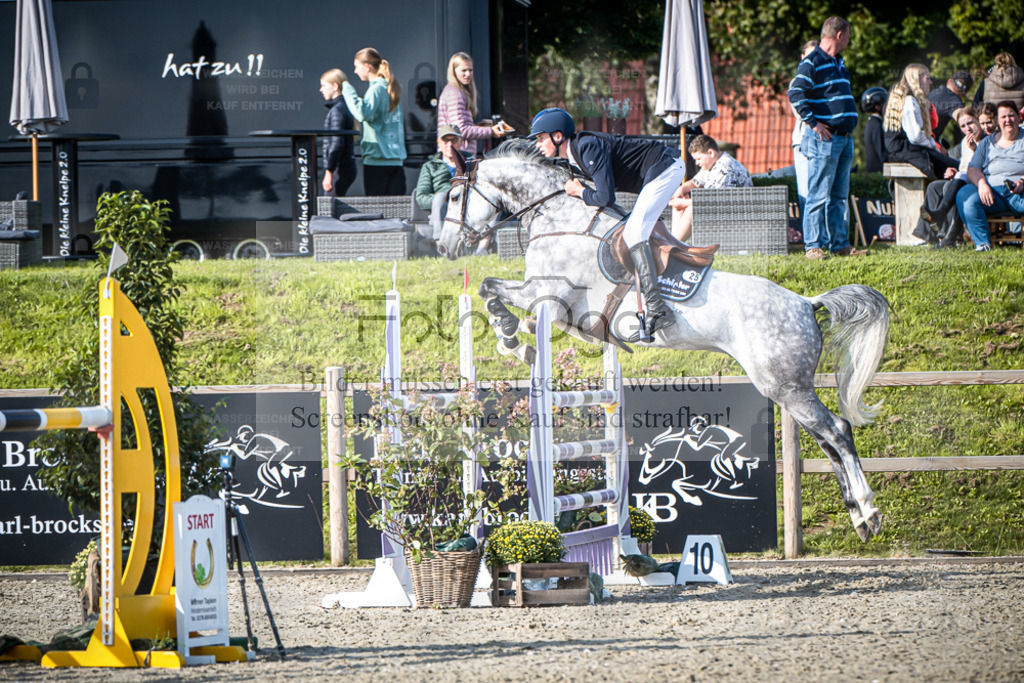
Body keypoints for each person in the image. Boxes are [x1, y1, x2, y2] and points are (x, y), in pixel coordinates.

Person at [529, 107, 687, 339]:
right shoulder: (574, 155)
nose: (538, 145)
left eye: (541, 138)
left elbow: (605, 198)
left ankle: (658, 309)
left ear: (558, 136)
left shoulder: (586, 146)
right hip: (660, 170)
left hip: (666, 167)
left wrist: (581, 191)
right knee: (633, 230)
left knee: (634, 234)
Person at [787, 16, 864, 259]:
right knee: (818, 194)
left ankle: (839, 244)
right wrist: (814, 123)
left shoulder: (838, 62)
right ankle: (813, 246)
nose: (849, 41)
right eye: (848, 36)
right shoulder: (813, 62)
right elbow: (796, 92)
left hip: (844, 138)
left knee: (839, 196)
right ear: (839, 35)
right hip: (825, 139)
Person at [954, 101, 1024, 251]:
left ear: (1019, 118)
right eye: (1003, 117)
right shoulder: (987, 142)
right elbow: (973, 168)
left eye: (1011, 116)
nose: (1008, 120)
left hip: (1019, 194)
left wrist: (1022, 182)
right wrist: (982, 184)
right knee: (965, 195)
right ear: (998, 120)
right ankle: (982, 243)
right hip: (992, 195)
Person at [342, 47, 407, 196]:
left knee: (377, 212)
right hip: (396, 160)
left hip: (378, 160)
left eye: (356, 67)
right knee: (396, 213)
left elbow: (362, 113)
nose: (355, 71)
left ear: (367, 67)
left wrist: (347, 89)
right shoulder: (390, 88)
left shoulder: (376, 89)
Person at [915, 106, 983, 248]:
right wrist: (954, 171)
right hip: (963, 177)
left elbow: (982, 166)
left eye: (970, 123)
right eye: (963, 126)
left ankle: (948, 236)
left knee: (950, 188)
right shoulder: (965, 141)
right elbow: (964, 165)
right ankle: (929, 236)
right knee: (934, 187)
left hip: (978, 181)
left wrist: (974, 150)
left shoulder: (986, 139)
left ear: (978, 120)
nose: (967, 128)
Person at [667, 135, 752, 242]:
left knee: (693, 208)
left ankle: (674, 245)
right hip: (720, 207)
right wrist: (681, 190)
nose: (696, 163)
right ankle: (673, 242)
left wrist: (685, 203)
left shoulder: (725, 168)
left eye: (698, 158)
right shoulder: (711, 165)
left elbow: (714, 201)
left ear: (711, 153)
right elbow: (695, 182)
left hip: (737, 213)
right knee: (680, 204)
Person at [883, 64, 959, 180]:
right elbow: (916, 136)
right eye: (927, 78)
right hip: (909, 151)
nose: (930, 82)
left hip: (901, 151)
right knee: (958, 167)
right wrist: (934, 148)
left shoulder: (904, 98)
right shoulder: (909, 100)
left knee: (951, 166)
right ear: (917, 80)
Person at [437, 52, 509, 156]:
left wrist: (477, 127)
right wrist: (490, 131)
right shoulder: (455, 94)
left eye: (470, 70)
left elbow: (459, 127)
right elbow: (460, 130)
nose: (468, 74)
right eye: (464, 70)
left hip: (456, 154)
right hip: (458, 155)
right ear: (454, 71)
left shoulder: (453, 91)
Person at [414, 124, 462, 244]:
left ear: (461, 142)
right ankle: (441, 246)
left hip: (466, 209)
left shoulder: (472, 163)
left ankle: (482, 248)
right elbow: (421, 197)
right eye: (446, 140)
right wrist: (443, 200)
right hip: (441, 212)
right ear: (439, 143)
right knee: (440, 197)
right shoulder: (430, 166)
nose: (450, 145)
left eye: (454, 140)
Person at [791, 40, 820, 211]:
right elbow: (799, 110)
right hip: (804, 140)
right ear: (802, 57)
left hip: (824, 140)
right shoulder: (797, 82)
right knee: (807, 192)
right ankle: (811, 236)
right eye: (810, 56)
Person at [319, 68, 357, 197]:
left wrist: (329, 171)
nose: (321, 89)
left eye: (324, 85)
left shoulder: (337, 110)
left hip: (340, 168)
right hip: (344, 167)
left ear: (335, 86)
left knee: (330, 209)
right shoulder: (344, 107)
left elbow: (337, 144)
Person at [929, 70, 973, 145]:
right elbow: (963, 117)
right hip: (925, 143)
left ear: (949, 81)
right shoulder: (955, 102)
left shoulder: (934, 92)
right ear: (965, 93)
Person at [861, 87, 887, 173]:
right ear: (877, 106)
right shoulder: (876, 124)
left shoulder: (870, 122)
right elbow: (881, 152)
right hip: (878, 170)